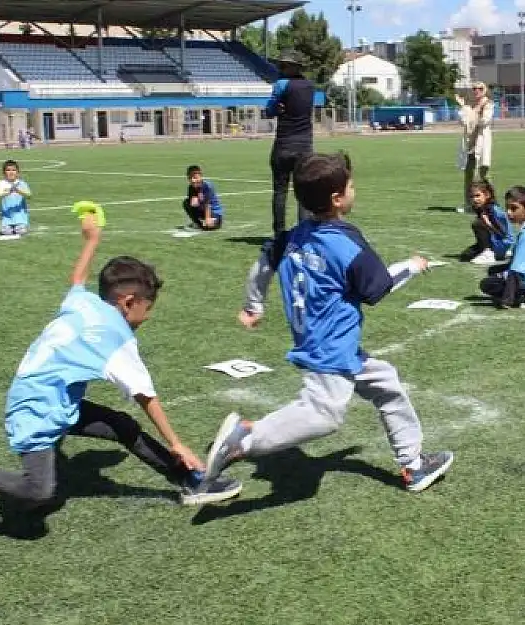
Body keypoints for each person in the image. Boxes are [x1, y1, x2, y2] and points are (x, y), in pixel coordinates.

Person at [0, 214, 242, 508]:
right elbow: (146, 397)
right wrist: (177, 444)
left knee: (121, 426)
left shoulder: (82, 302)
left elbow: (77, 280)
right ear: (128, 302)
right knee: (39, 492)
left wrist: (91, 241)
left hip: (48, 394)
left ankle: (188, 482)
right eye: (148, 306)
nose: (148, 315)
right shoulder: (115, 336)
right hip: (38, 410)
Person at [194, 152, 454, 496]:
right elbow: (377, 288)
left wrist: (253, 305)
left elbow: (263, 263)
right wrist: (412, 266)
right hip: (330, 343)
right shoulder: (346, 242)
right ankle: (245, 439)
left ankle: (414, 465)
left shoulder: (291, 238)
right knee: (324, 414)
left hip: (321, 338)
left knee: (385, 383)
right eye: (350, 185)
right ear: (337, 199)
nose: (353, 189)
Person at [266, 50, 315, 235]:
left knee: (280, 191)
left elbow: (269, 110)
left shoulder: (281, 84)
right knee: (303, 193)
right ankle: (303, 232)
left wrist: (278, 109)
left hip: (284, 144)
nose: (281, 68)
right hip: (304, 146)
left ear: (292, 67)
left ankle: (279, 233)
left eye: (284, 65)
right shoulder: (310, 86)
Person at [455, 82, 494, 211]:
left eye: (480, 88)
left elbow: (484, 121)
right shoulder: (470, 106)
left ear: (485, 90)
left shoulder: (488, 104)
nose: (477, 91)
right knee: (468, 175)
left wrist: (469, 112)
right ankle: (469, 205)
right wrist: (465, 108)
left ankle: (491, 203)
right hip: (469, 144)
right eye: (474, 89)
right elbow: (462, 121)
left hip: (481, 143)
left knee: (484, 173)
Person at [458, 181, 512, 265]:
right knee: (466, 255)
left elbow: (504, 235)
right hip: (494, 241)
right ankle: (489, 251)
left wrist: (488, 224)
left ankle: (489, 253)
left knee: (477, 224)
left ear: (487, 195)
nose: (474, 199)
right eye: (472, 197)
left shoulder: (495, 211)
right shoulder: (481, 208)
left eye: (477, 196)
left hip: (502, 243)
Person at [0, 160, 32, 237]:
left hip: (21, 218)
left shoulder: (22, 183)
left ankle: (21, 225)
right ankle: (5, 226)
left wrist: (18, 191)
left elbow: (29, 195)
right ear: (4, 172)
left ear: (18, 172)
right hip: (6, 217)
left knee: (21, 231)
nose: (11, 172)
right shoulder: (1, 183)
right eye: (8, 170)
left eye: (14, 170)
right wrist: (7, 192)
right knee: (6, 232)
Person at [183, 165, 224, 230]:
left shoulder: (207, 186)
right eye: (190, 178)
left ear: (201, 177)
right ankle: (197, 223)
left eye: (195, 178)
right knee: (186, 202)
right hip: (203, 210)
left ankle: (204, 223)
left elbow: (207, 204)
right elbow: (194, 204)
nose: (193, 180)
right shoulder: (191, 188)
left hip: (214, 213)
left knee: (210, 226)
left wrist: (207, 218)